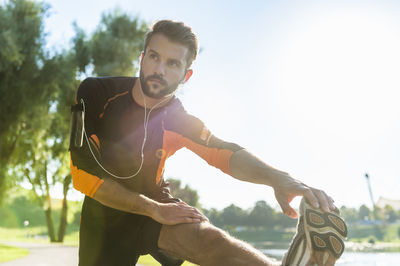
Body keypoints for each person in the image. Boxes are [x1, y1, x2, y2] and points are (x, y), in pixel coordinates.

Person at [69, 20, 346, 266]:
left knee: (210, 240)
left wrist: (280, 179)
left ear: (186, 75)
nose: (159, 69)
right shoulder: (95, 93)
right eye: (154, 57)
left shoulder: (177, 118)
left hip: (158, 205)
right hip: (105, 215)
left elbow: (222, 152)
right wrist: (153, 209)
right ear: (142, 59)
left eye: (173, 63)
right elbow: (82, 175)